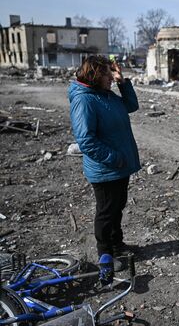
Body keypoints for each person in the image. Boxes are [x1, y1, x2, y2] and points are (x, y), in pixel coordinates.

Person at [68, 55, 141, 269]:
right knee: (106, 211)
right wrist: (114, 158)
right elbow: (86, 140)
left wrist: (122, 81)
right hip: (106, 168)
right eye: (107, 73)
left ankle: (117, 245)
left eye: (111, 73)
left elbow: (131, 105)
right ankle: (105, 255)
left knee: (117, 207)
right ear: (95, 75)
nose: (110, 77)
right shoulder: (84, 99)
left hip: (119, 167)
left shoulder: (105, 95)